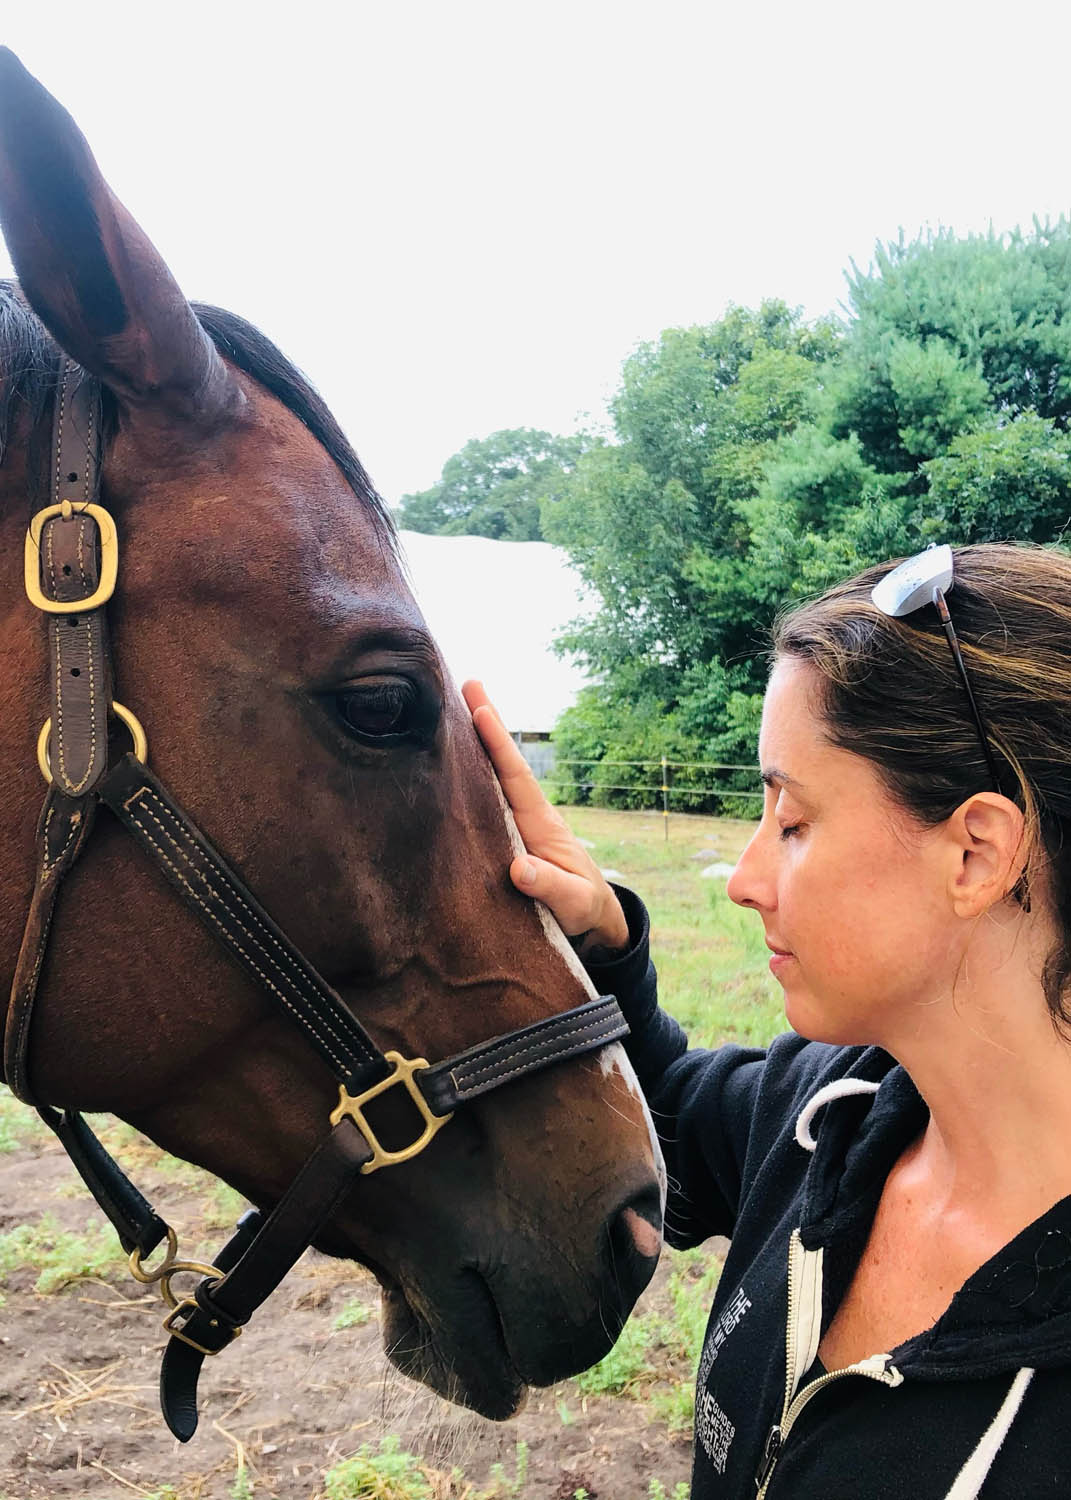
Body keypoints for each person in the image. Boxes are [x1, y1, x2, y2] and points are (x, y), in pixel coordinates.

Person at [463, 541, 1071, 1500]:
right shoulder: (822, 1110)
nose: (744, 881)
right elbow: (659, 1111)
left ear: (975, 855)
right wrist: (605, 936)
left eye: (790, 823)